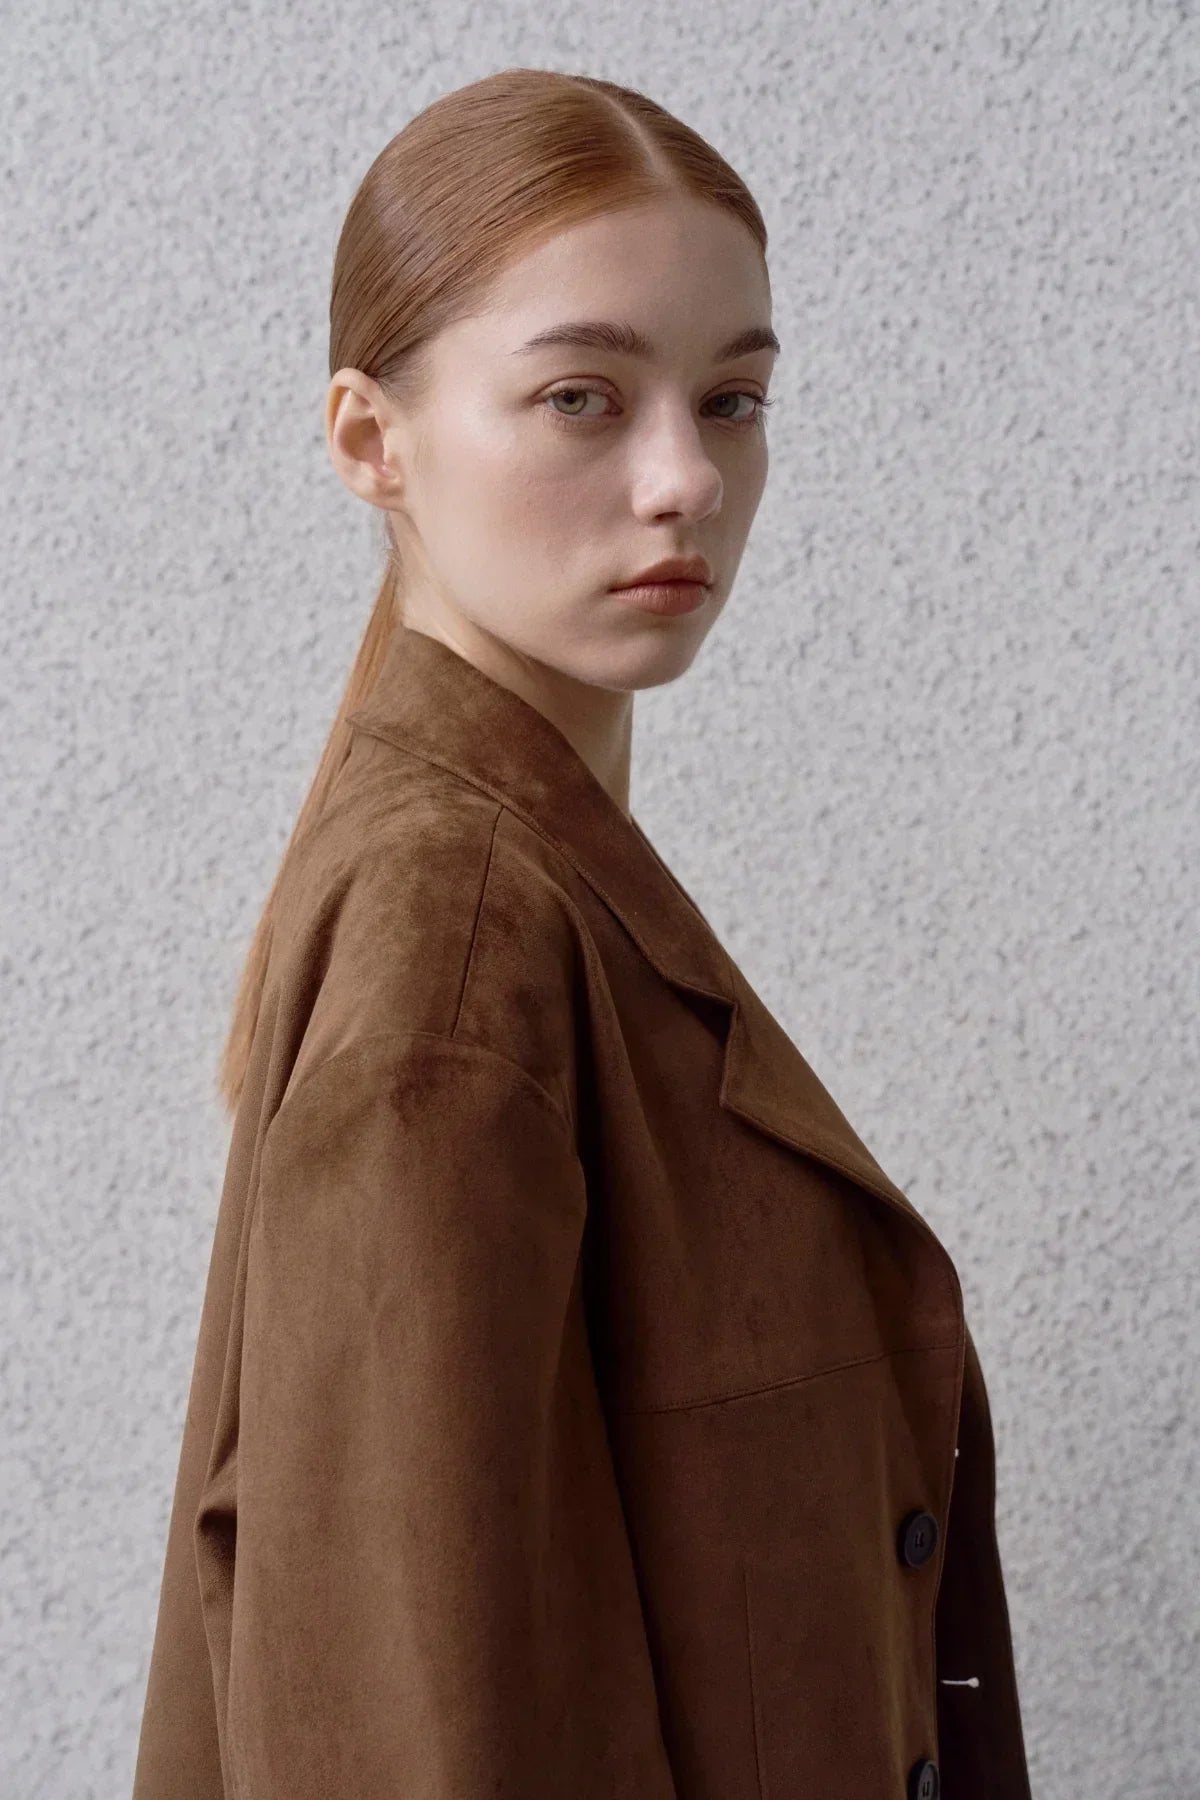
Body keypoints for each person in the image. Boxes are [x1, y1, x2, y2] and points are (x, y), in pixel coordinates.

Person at [131, 67, 1033, 1800]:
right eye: (579, 397)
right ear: (369, 439)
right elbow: (417, 1730)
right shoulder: (457, 943)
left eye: (735, 396)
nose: (684, 477)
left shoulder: (518, 887)